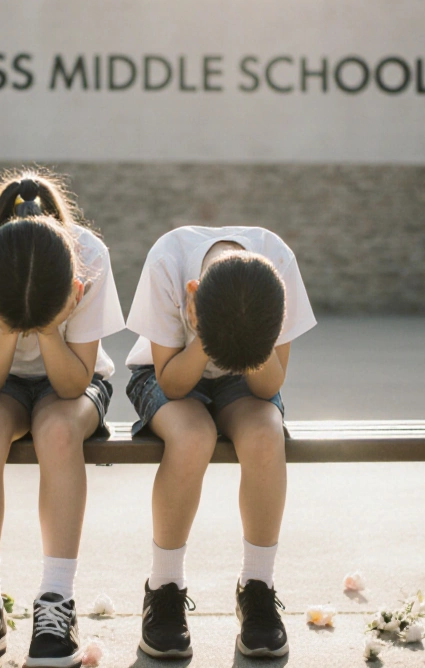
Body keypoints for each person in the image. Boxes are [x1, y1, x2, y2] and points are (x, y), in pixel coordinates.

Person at [0, 169, 125, 667]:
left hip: (73, 375)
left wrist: (52, 330)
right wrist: (8, 328)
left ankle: (57, 602)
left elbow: (71, 385)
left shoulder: (89, 256)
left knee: (59, 431)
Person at [124, 226, 316, 659]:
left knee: (266, 433)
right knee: (193, 437)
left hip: (246, 375)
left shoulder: (276, 264)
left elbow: (267, 388)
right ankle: (165, 586)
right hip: (170, 371)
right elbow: (172, 383)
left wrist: (250, 341)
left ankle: (258, 586)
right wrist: (204, 336)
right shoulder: (168, 261)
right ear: (193, 291)